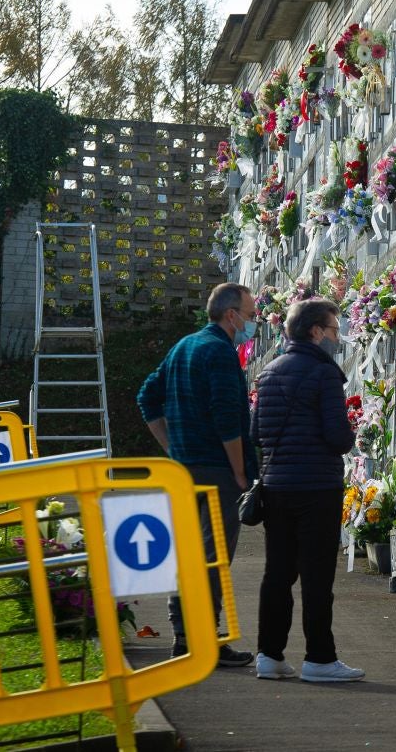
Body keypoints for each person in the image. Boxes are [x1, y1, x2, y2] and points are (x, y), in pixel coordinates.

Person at [137, 281, 257, 667]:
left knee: (186, 554)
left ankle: (183, 637)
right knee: (213, 557)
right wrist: (239, 471)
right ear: (231, 315)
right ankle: (206, 640)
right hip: (217, 470)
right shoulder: (220, 353)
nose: (253, 323)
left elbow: (146, 397)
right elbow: (226, 418)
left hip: (183, 470)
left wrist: (172, 448)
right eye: (250, 315)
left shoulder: (183, 346)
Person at [253, 298, 362, 682]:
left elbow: (256, 433)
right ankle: (319, 658)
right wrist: (351, 432)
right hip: (317, 487)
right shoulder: (324, 373)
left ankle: (269, 655)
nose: (337, 337)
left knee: (278, 574)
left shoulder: (268, 372)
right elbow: (337, 438)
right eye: (333, 330)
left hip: (276, 487)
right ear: (316, 331)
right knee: (317, 577)